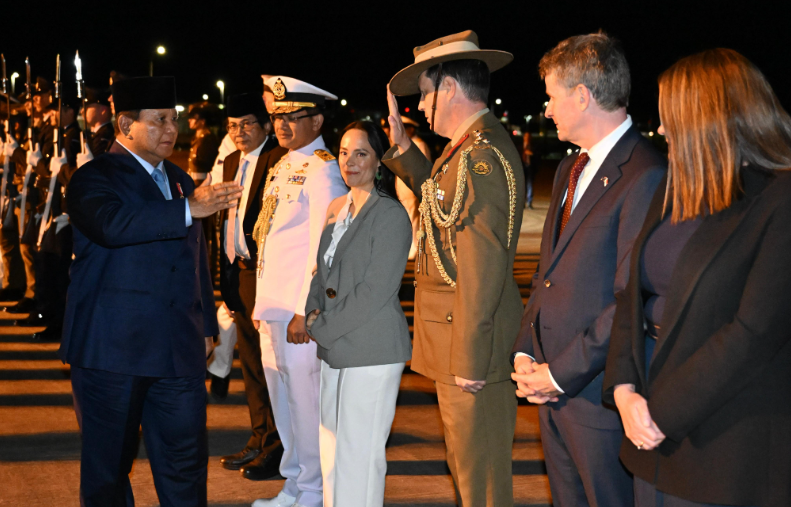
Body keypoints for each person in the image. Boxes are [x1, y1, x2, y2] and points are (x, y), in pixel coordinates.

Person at [602, 48, 791, 507]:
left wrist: (658, 412)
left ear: (710, 117)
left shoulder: (779, 199)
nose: (662, 129)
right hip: (647, 428)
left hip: (724, 444)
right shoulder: (675, 184)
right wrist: (624, 389)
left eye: (671, 117)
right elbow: (632, 295)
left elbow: (753, 333)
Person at [59, 76, 243, 506]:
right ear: (125, 125)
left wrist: (203, 324)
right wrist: (186, 209)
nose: (170, 130)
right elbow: (112, 225)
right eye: (158, 120)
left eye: (173, 120)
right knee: (109, 469)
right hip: (112, 351)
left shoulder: (178, 178)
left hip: (177, 349)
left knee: (185, 461)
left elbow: (194, 255)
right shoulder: (93, 177)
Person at [510, 33, 666, 507]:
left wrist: (560, 373)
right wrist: (524, 352)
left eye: (552, 96)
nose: (547, 108)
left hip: (598, 398)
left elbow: (629, 298)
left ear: (583, 95)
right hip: (551, 391)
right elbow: (546, 274)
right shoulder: (569, 168)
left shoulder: (645, 173)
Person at [384, 30, 525, 506]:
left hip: (469, 348)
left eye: (424, 93)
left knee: (480, 479)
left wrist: (469, 357)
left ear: (448, 89)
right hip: (455, 337)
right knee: (468, 469)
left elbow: (482, 266)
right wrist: (403, 151)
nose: (420, 107)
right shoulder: (464, 149)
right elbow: (445, 203)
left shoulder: (481, 156)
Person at [251, 75, 347, 507]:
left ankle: (314, 488)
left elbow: (322, 248)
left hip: (296, 312)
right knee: (283, 400)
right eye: (277, 117)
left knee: (306, 404)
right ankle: (294, 482)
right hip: (271, 304)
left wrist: (301, 311)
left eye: (294, 117)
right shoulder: (283, 163)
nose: (282, 126)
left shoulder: (324, 168)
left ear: (318, 119)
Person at [305, 121, 412, 507]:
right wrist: (310, 312)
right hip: (336, 345)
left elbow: (376, 290)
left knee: (360, 458)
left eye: (361, 153)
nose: (349, 162)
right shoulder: (337, 207)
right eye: (343, 152)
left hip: (372, 348)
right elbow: (322, 271)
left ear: (379, 160)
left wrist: (322, 327)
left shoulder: (390, 215)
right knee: (332, 451)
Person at [217, 92, 286, 480]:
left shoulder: (277, 161)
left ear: (264, 127)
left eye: (246, 124)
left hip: (266, 275)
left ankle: (277, 447)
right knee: (250, 366)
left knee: (271, 365)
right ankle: (259, 438)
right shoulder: (230, 162)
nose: (238, 132)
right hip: (237, 274)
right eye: (232, 126)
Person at [394, 115, 428, 259]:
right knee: (406, 218)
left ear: (411, 129)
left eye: (405, 129)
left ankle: (413, 248)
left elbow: (422, 169)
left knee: (413, 219)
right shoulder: (405, 145)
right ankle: (410, 247)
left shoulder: (418, 145)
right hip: (403, 188)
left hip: (411, 189)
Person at [84, 87, 115, 156]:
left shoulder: (105, 137)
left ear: (103, 111)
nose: (82, 111)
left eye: (88, 107)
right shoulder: (99, 134)